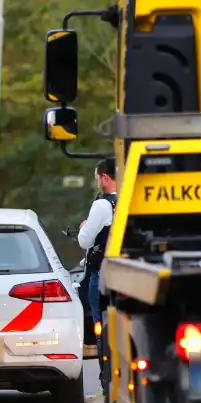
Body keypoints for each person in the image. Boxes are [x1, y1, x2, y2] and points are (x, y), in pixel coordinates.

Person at [77, 157, 117, 387]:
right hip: (126, 270)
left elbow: (84, 241)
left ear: (104, 177)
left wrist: (84, 227)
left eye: (97, 178)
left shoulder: (102, 205)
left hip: (101, 273)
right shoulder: (129, 197)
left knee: (101, 325)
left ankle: (106, 379)